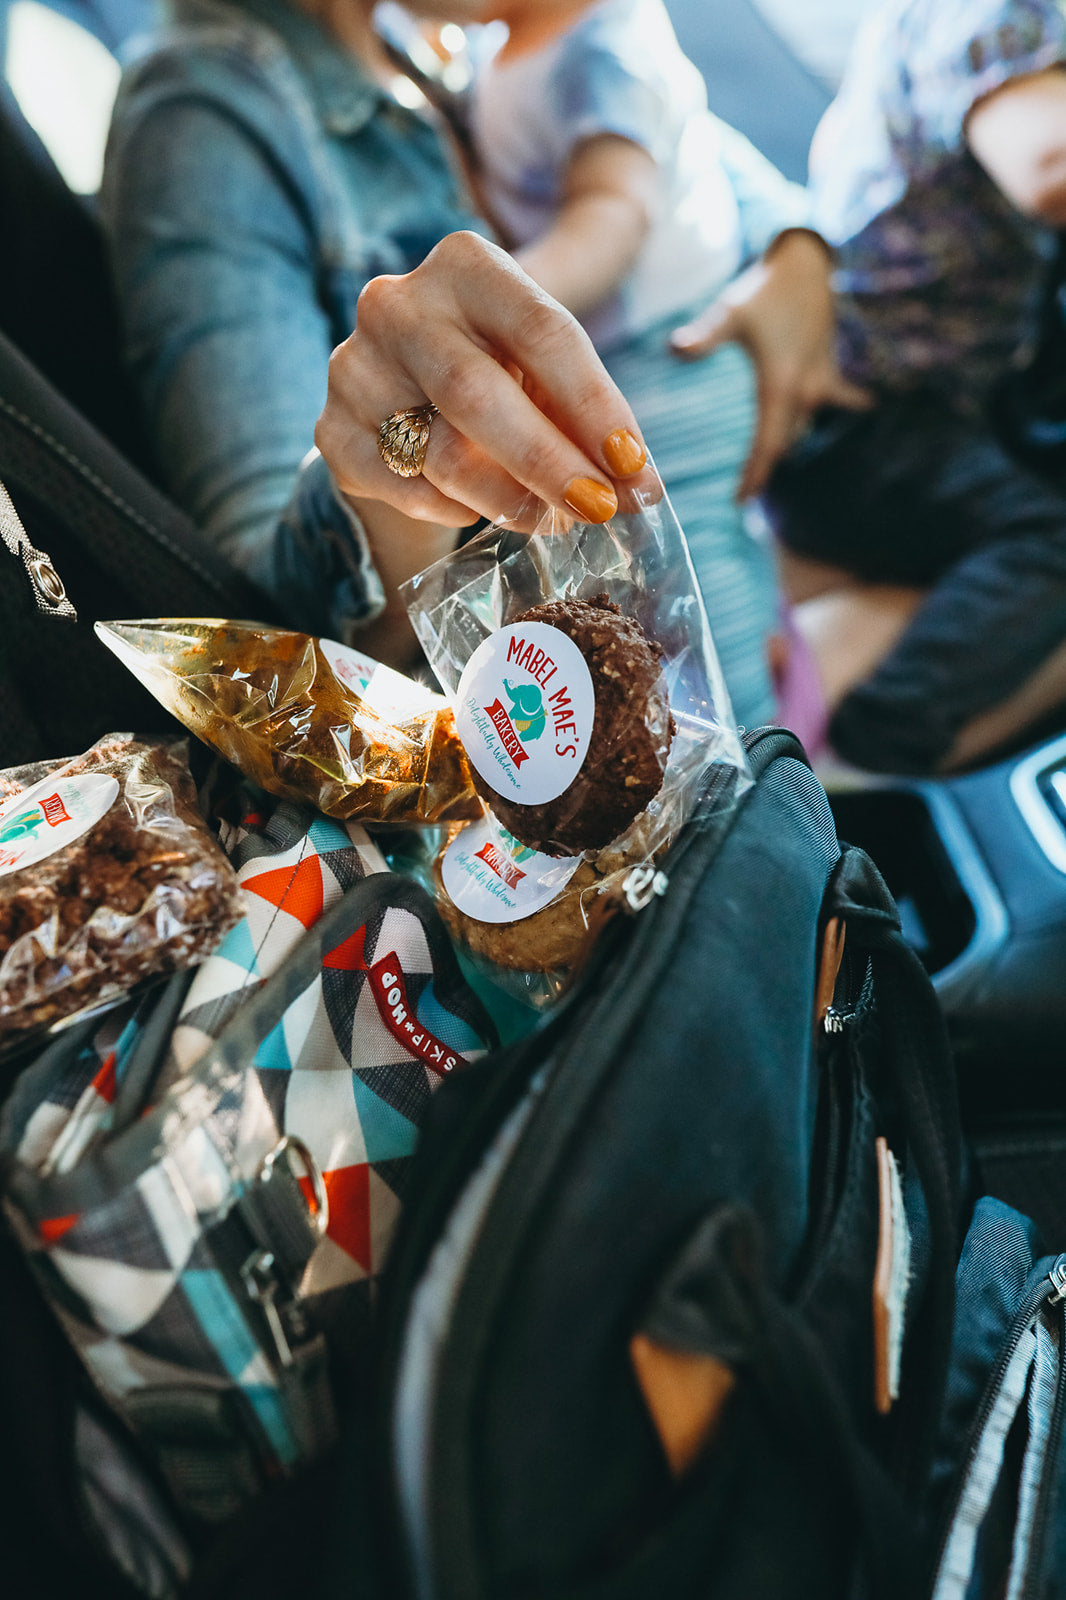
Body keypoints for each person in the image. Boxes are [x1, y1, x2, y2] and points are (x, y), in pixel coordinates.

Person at [97, 0, 856, 727]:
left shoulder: (432, 34)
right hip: (539, 687)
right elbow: (258, 626)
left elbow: (659, 126)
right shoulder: (201, 127)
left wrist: (795, 248)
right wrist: (402, 455)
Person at [709, 0, 1066, 776]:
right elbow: (1048, 170)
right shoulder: (1002, 13)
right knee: (1051, 536)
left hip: (900, 402)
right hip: (858, 416)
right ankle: (887, 730)